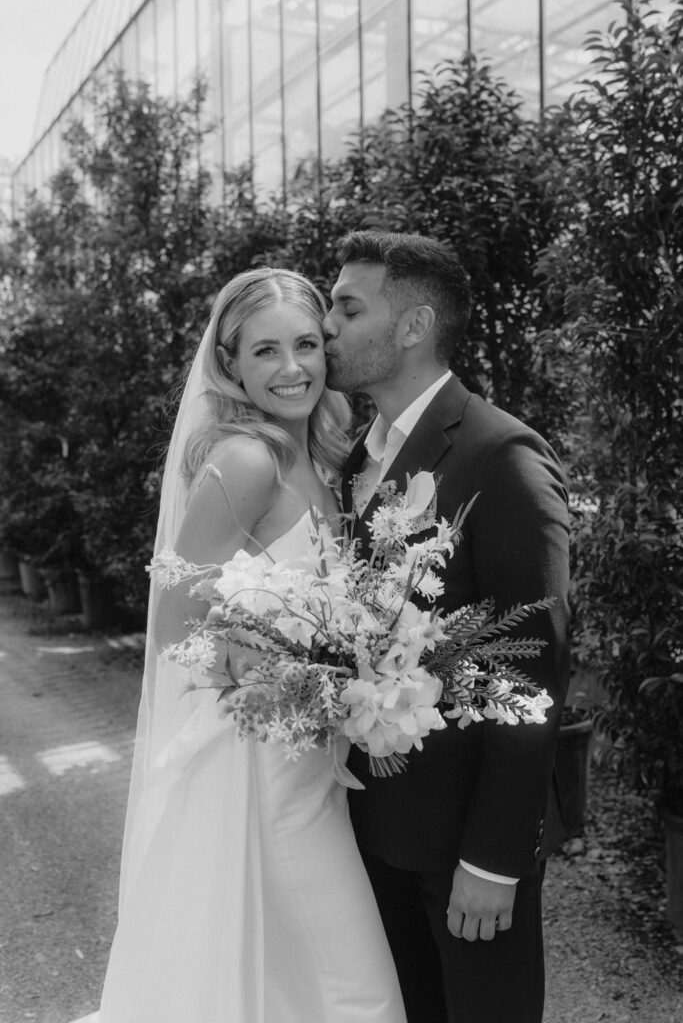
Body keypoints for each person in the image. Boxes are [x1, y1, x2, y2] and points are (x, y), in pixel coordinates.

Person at [96, 268, 407, 1023]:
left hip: (315, 766)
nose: (291, 367)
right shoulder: (247, 461)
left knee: (299, 987)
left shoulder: (328, 458)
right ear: (229, 362)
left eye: (305, 344)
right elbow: (174, 625)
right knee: (355, 989)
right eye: (265, 351)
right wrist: (276, 676)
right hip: (262, 773)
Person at [323, 230, 570, 1023]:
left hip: (462, 843)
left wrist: (494, 860)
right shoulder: (350, 460)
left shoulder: (499, 456)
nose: (326, 324)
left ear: (412, 326)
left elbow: (530, 671)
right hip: (371, 832)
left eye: (345, 306)